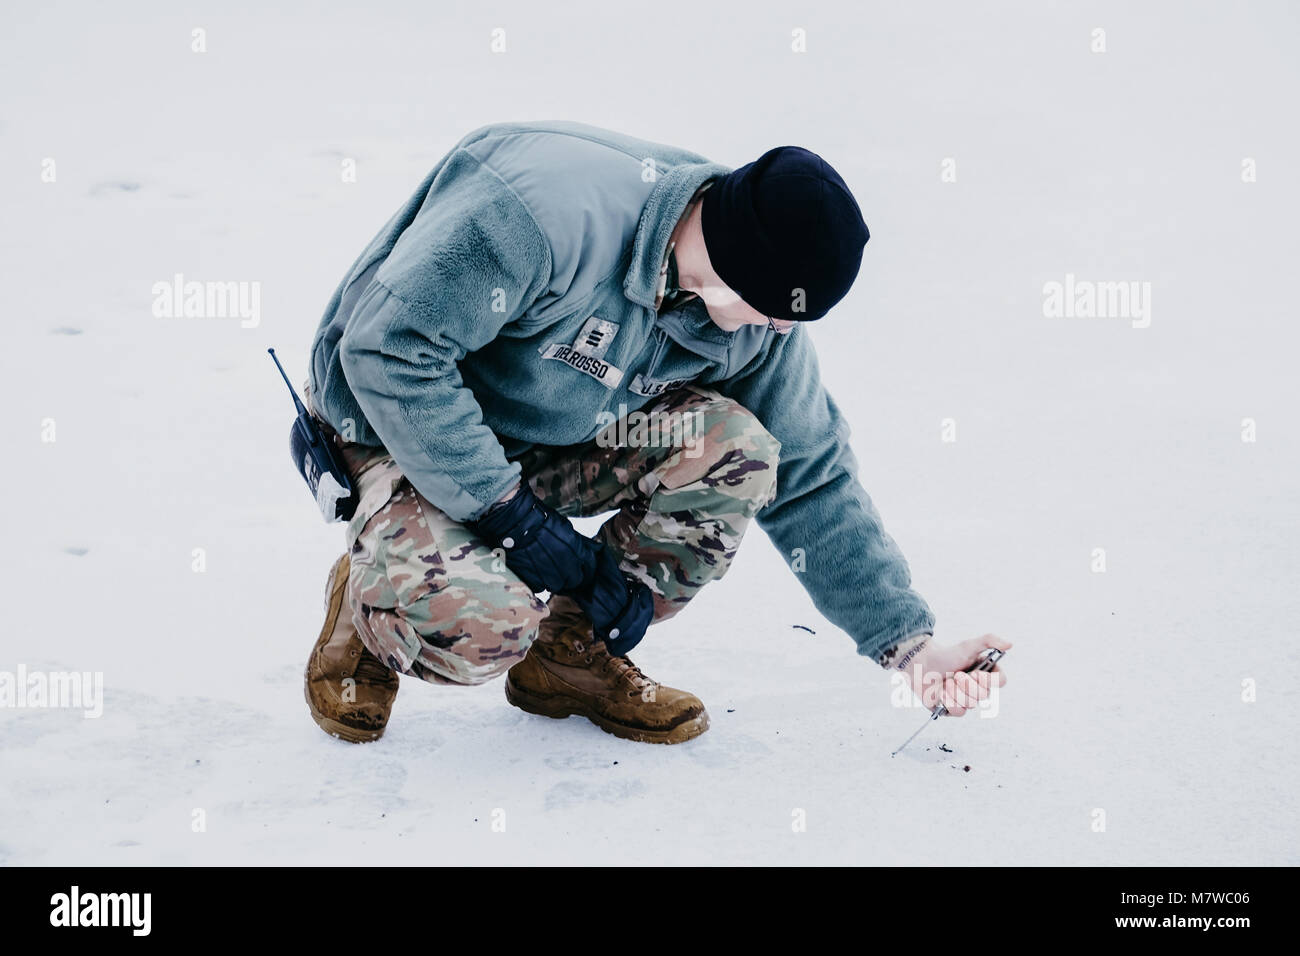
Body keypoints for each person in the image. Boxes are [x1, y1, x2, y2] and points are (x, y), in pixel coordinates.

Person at [302, 120, 1010, 746]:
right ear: (742, 262)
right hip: (389, 422)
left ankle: (571, 655)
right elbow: (388, 351)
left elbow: (811, 472)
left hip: (555, 432)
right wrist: (507, 514)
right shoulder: (543, 211)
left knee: (738, 448)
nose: (784, 330)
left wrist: (910, 647)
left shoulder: (753, 319)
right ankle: (374, 592)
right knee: (482, 631)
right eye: (777, 310)